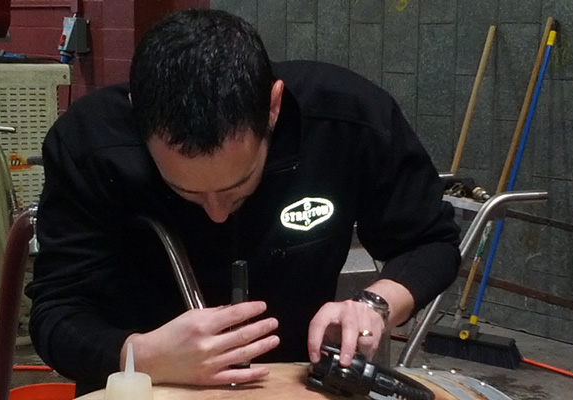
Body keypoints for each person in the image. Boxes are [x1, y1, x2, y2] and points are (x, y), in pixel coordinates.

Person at [26, 9, 461, 395]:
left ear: (272, 107)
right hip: (144, 385)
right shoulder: (89, 144)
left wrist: (375, 304)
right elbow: (57, 314)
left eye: (239, 185)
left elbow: (431, 242)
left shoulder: (348, 120)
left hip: (293, 380)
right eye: (186, 192)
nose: (216, 213)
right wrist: (141, 354)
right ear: (139, 117)